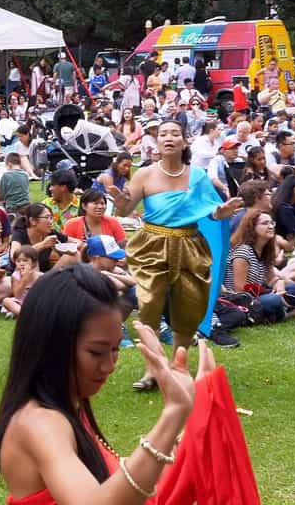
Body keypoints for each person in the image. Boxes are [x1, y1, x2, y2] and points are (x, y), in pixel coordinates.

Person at [0, 265, 259, 505]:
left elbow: (126, 490)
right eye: (96, 352)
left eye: (116, 349)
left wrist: (193, 415)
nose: (109, 366)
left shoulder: (66, 408)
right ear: (51, 345)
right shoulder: (40, 422)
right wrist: (174, 412)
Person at [109, 119, 242, 392]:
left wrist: (224, 212)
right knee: (149, 304)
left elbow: (213, 211)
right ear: (157, 142)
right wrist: (121, 203)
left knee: (188, 306)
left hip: (189, 244)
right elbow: (123, 210)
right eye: (163, 134)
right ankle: (153, 370)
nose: (169, 138)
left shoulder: (197, 176)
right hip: (151, 244)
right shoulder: (144, 174)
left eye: (175, 133)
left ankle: (179, 366)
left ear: (184, 141)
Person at [225, 209, 295, 324]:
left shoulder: (264, 250)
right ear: (252, 228)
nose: (271, 226)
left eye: (272, 223)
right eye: (265, 223)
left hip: (259, 293)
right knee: (273, 300)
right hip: (242, 300)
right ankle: (282, 314)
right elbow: (240, 292)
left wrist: (279, 283)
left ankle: (274, 313)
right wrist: (271, 294)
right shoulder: (243, 253)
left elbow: (272, 279)